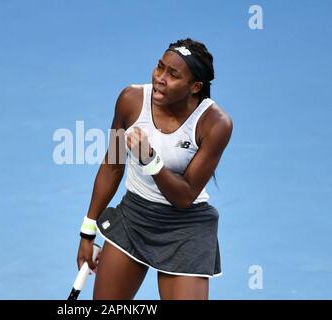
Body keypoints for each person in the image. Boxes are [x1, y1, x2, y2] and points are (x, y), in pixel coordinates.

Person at [76, 38, 233, 300]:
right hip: (134, 218)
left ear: (195, 87)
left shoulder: (215, 124)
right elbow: (113, 165)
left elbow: (183, 198)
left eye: (173, 74)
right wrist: (87, 231)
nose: (160, 78)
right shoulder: (131, 100)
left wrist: (150, 160)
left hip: (186, 229)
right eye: (160, 67)